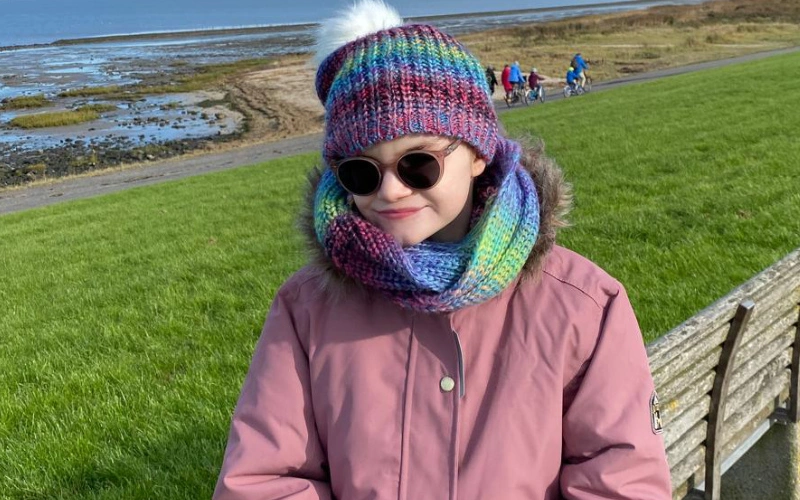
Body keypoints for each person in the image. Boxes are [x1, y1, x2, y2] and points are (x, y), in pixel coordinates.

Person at [213, 1, 672, 499]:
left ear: (476, 154)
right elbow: (264, 480)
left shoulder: (583, 305)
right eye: (361, 173)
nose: (390, 192)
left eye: (418, 164)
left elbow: (622, 481)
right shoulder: (306, 309)